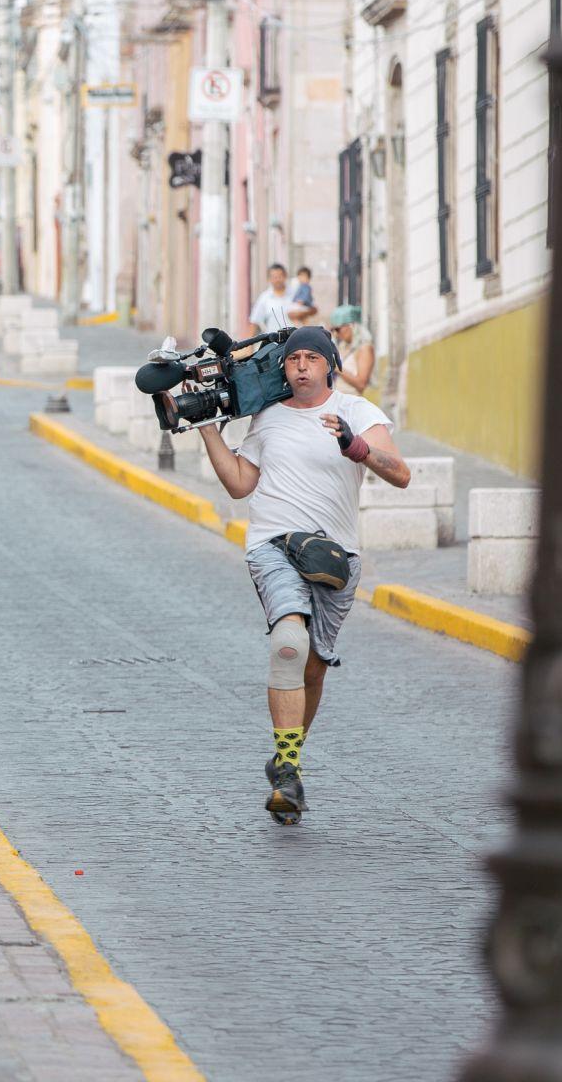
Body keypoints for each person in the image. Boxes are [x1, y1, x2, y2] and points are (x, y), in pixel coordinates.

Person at [196, 326, 412, 824]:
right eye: (294, 359)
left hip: (337, 558)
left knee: (313, 667)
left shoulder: (358, 412)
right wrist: (207, 428)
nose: (301, 366)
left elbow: (400, 473)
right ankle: (290, 770)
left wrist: (355, 447)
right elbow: (239, 485)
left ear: (330, 366)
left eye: (312, 358)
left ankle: (287, 756)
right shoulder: (268, 418)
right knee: (288, 644)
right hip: (273, 545)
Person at [329, 305, 375, 396]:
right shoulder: (343, 346)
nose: (335, 334)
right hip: (338, 402)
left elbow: (361, 384)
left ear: (352, 326)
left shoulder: (365, 348)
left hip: (352, 404)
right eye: (332, 330)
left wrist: (336, 367)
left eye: (338, 329)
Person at [248, 263, 294, 336]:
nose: (277, 279)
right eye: (274, 277)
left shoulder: (295, 294)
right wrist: (249, 346)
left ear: (285, 276)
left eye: (280, 276)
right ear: (269, 279)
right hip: (274, 343)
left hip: (295, 342)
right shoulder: (264, 298)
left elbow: (313, 310)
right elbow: (254, 322)